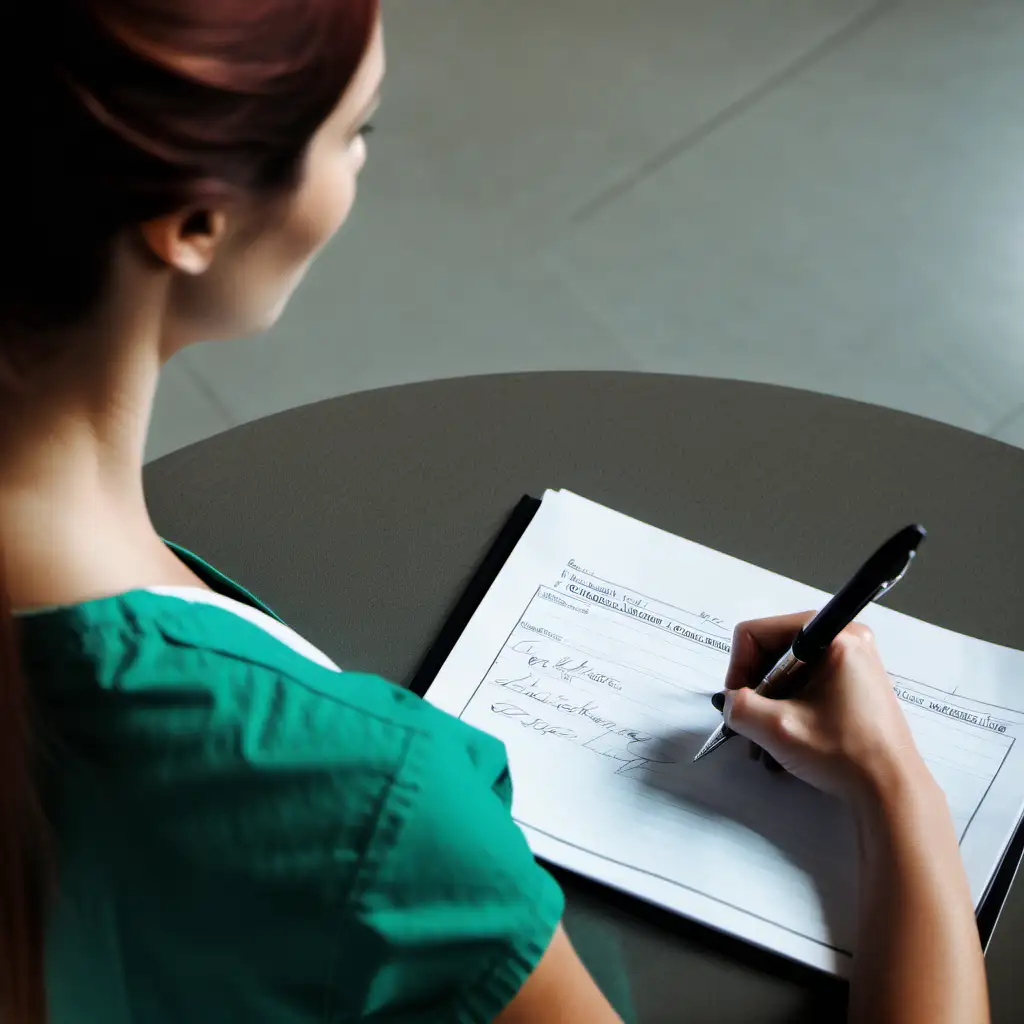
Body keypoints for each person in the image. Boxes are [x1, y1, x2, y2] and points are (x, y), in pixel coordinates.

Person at [0, 1, 990, 1022]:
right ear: (195, 222)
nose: (358, 171)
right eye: (355, 132)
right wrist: (896, 786)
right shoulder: (372, 805)